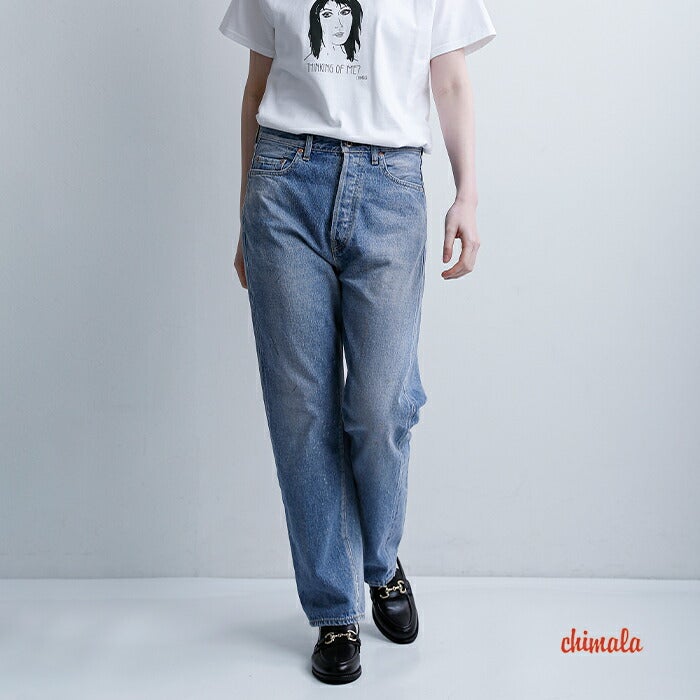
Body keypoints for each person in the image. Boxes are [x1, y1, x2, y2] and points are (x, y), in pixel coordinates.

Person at [219, 0, 496, 685]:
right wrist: (247, 215)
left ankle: (380, 559)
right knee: (301, 411)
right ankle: (335, 609)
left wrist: (467, 195)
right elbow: (256, 90)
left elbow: (450, 81)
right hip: (284, 185)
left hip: (390, 185)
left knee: (380, 404)